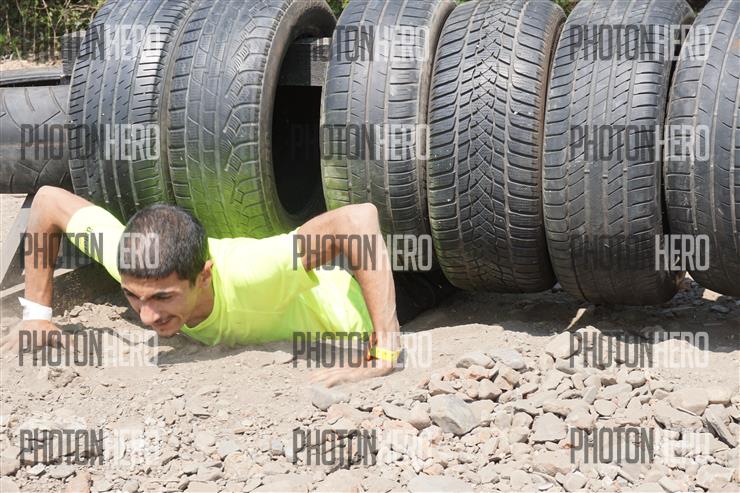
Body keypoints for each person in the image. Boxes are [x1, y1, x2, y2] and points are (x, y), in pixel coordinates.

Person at [0, 186, 449, 386]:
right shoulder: (133, 260)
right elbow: (49, 202)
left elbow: (358, 219)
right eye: (133, 297)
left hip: (363, 309)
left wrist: (385, 348)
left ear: (204, 275)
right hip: (304, 290)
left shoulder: (255, 271)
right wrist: (37, 316)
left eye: (163, 298)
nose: (147, 316)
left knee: (440, 276)